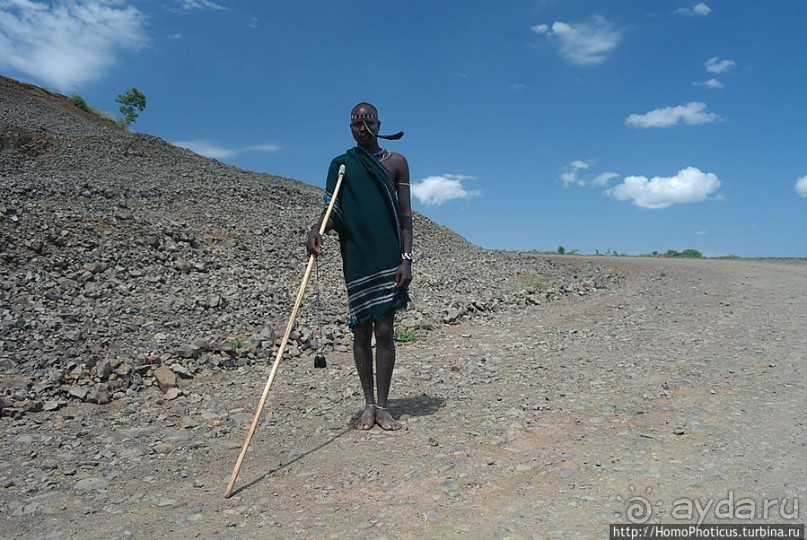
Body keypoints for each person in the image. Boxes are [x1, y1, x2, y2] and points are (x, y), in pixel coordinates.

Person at [307, 102, 413, 431]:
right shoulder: (341, 166)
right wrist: (316, 230)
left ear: (379, 124)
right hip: (356, 256)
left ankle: (384, 406)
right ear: (349, 128)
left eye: (368, 122)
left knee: (384, 330)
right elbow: (333, 212)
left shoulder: (396, 163)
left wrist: (406, 259)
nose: (362, 127)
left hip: (387, 257)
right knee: (360, 331)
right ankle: (368, 405)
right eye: (356, 123)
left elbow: (406, 217)